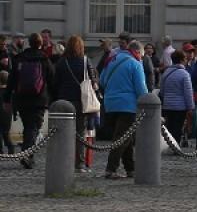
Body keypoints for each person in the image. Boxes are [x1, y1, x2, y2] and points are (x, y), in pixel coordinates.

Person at [100, 40, 148, 179]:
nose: (142, 58)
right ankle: (111, 169)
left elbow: (102, 80)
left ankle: (130, 169)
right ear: (137, 52)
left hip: (110, 104)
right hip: (128, 106)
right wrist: (149, 103)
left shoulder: (112, 59)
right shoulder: (135, 64)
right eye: (142, 55)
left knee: (126, 138)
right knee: (122, 138)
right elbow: (141, 89)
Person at [50, 35, 98, 172]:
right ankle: (79, 164)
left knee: (63, 133)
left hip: (63, 101)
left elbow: (55, 83)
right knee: (80, 133)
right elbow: (93, 81)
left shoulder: (61, 62)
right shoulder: (85, 61)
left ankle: (62, 161)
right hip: (80, 101)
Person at [5, 32, 51, 169]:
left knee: (28, 127)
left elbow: (12, 80)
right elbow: (52, 79)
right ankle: (26, 155)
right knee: (33, 128)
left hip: (22, 99)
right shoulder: (44, 59)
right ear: (40, 44)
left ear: (29, 43)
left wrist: (7, 99)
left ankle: (27, 155)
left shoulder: (20, 58)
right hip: (39, 99)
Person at [159, 49, 194, 150]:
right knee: (178, 128)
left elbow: (162, 90)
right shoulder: (184, 74)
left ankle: (168, 146)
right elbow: (188, 92)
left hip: (167, 105)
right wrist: (190, 107)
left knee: (169, 127)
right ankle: (175, 147)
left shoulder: (166, 73)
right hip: (180, 106)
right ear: (183, 60)